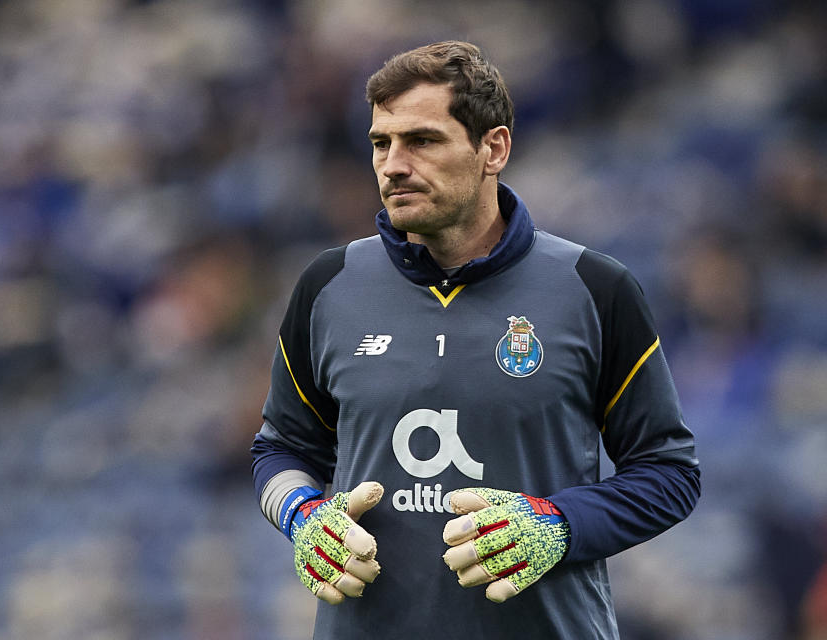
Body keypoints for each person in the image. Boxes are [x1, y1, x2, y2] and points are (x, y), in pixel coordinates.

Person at [250, 40, 700, 639]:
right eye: (381, 143)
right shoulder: (328, 285)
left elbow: (669, 473)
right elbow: (280, 450)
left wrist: (557, 525)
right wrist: (305, 519)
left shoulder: (593, 288)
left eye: (423, 140)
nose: (393, 165)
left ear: (494, 148)